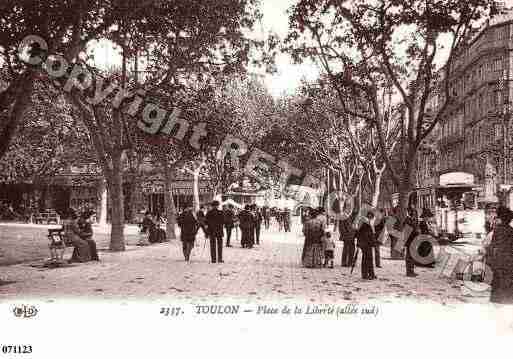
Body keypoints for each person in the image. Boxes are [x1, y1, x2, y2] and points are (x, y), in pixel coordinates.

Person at [487, 206, 513, 304]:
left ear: (501, 219)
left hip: (499, 260)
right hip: (509, 260)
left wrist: (489, 259)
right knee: (508, 280)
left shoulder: (497, 230)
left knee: (498, 279)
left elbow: (492, 246)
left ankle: (498, 300)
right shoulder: (511, 230)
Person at [356, 212, 376, 280]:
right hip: (366, 243)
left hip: (367, 243)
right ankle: (365, 274)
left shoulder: (367, 223)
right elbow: (360, 234)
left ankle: (371, 273)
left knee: (368, 258)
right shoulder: (365, 223)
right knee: (366, 259)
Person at [404, 207, 419, 277]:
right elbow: (409, 230)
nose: (415, 215)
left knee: (412, 256)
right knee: (409, 256)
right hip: (409, 241)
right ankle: (409, 271)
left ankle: (412, 270)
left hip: (413, 240)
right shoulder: (407, 220)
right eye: (414, 213)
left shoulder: (412, 220)